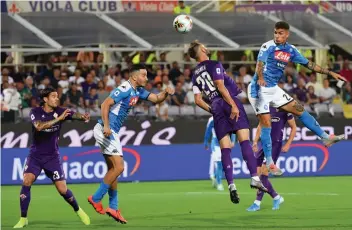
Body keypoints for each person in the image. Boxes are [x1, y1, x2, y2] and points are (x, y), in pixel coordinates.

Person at [248, 21, 346, 176]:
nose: (277, 36)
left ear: (287, 34)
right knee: (266, 122)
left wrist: (330, 73)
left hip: (273, 89)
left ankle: (325, 137)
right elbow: (259, 65)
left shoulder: (291, 50)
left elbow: (310, 65)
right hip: (258, 89)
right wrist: (260, 77)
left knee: (299, 109)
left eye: (280, 33)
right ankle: (270, 163)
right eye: (275, 33)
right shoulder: (267, 46)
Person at [88, 65, 174, 224]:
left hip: (111, 131)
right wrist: (106, 126)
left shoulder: (138, 90)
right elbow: (105, 104)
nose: (146, 78)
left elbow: (156, 99)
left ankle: (113, 207)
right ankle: (96, 198)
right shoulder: (125, 88)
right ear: (134, 77)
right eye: (144, 75)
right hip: (105, 130)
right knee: (120, 167)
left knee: (113, 170)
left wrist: (166, 93)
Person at [188, 40, 267, 205]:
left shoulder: (195, 74)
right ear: (202, 49)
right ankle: (254, 177)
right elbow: (220, 85)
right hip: (227, 101)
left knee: (225, 149)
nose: (206, 46)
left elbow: (197, 100)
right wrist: (232, 105)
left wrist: (213, 110)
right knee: (244, 140)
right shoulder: (213, 64)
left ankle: (231, 185)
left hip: (215, 106)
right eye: (204, 45)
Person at [13, 87, 91, 228]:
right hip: (35, 156)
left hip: (52, 158)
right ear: (45, 99)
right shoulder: (35, 112)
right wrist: (59, 119)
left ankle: (78, 210)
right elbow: (39, 126)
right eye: (53, 96)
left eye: (57, 96)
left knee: (62, 190)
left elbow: (74, 115)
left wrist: (83, 117)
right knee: (27, 181)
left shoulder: (61, 111)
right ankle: (23, 218)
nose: (57, 98)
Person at [247, 107, 297, 212]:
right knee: (257, 174)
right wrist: (255, 141)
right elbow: (261, 124)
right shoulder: (266, 107)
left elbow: (294, 127)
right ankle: (276, 197)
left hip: (275, 144)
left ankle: (257, 203)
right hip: (264, 143)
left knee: (264, 171)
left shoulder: (285, 109)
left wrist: (288, 144)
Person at [204, 116, 236, 191]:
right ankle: (219, 183)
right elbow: (208, 131)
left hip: (226, 143)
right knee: (219, 163)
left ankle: (215, 176)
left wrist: (233, 141)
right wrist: (206, 142)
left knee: (223, 165)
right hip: (216, 144)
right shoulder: (212, 120)